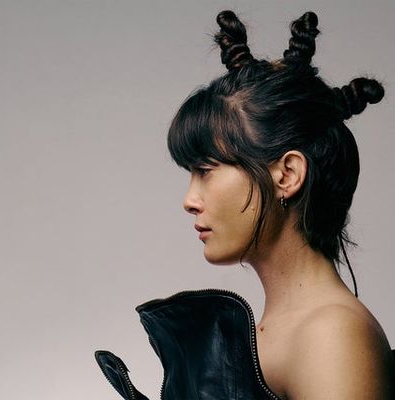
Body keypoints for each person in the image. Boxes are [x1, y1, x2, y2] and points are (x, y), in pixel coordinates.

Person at [95, 10, 395, 399]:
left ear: (287, 174)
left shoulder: (330, 334)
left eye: (205, 170)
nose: (189, 201)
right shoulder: (285, 329)